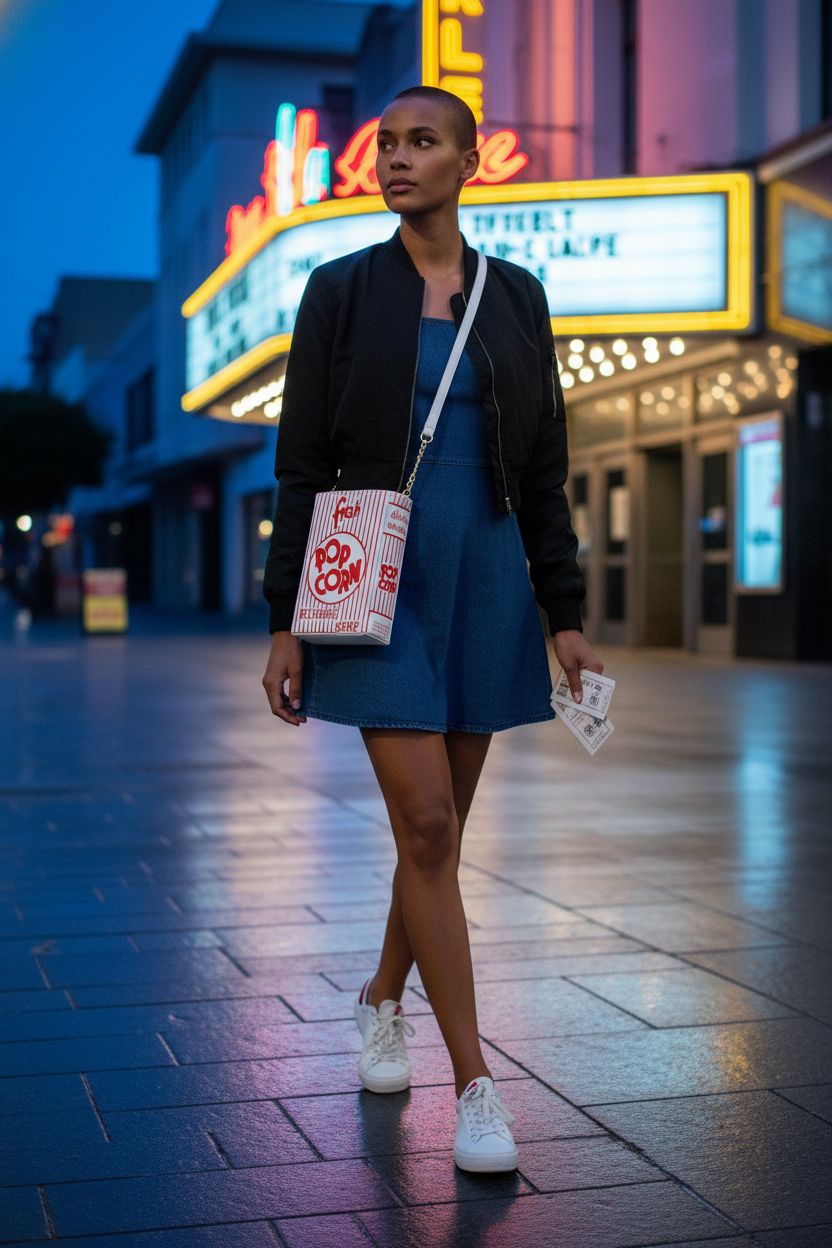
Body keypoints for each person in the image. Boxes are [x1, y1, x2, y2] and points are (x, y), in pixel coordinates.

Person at [262, 85, 604, 1173]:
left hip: (487, 573)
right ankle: (475, 1086)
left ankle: (379, 996)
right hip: (373, 572)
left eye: (422, 142)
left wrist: (564, 614)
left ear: (469, 163)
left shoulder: (518, 295)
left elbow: (544, 468)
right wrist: (285, 619)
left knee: (437, 833)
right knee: (425, 823)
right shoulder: (339, 289)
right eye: (387, 145)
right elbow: (300, 463)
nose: (397, 159)